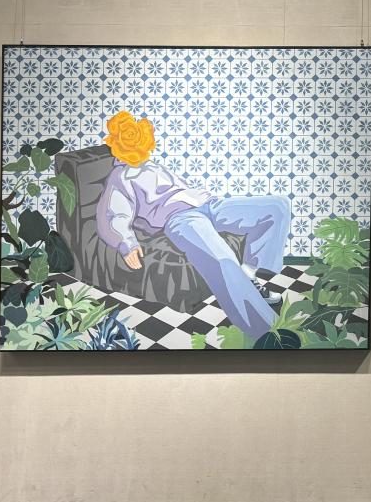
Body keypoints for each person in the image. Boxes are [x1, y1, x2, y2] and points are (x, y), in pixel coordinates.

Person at [94, 111, 290, 339]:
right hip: (180, 218)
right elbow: (113, 215)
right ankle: (266, 332)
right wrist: (126, 244)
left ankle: (249, 274)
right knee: (223, 259)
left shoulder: (153, 165)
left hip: (207, 204)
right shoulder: (120, 177)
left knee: (278, 206)